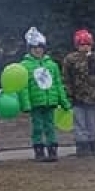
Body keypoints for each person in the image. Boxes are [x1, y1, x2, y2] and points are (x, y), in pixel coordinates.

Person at [18, 27, 69, 162]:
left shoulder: (52, 65)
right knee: (37, 127)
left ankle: (52, 150)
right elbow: (23, 87)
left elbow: (58, 84)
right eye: (34, 47)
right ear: (29, 49)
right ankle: (39, 150)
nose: (37, 50)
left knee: (50, 126)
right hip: (35, 103)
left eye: (40, 47)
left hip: (50, 102)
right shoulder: (24, 65)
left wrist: (63, 101)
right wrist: (26, 104)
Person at [62, 29, 95, 156]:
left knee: (92, 123)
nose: (85, 47)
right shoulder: (70, 59)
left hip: (93, 98)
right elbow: (66, 78)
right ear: (77, 45)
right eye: (82, 44)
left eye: (87, 44)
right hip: (78, 97)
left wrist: (92, 59)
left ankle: (94, 144)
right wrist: (68, 94)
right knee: (79, 123)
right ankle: (82, 146)